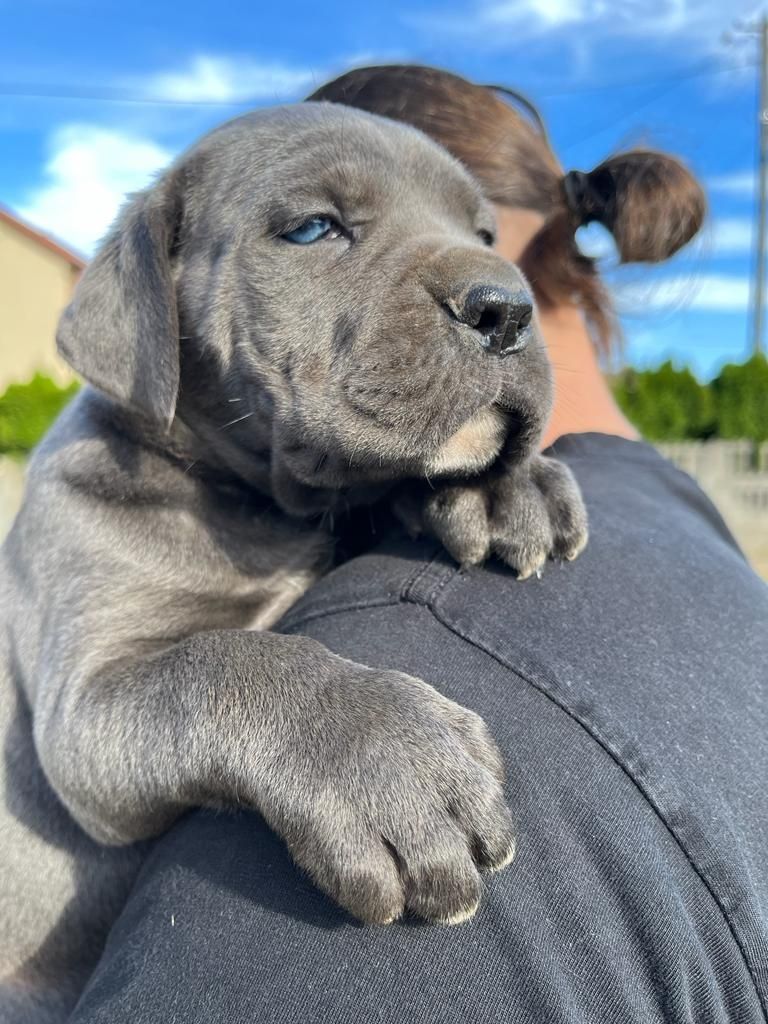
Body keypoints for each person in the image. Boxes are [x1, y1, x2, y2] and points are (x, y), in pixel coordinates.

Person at [67, 67, 767, 1023]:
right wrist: (304, 709)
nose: (486, 285)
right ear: (157, 297)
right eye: (317, 226)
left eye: (477, 237)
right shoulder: (97, 495)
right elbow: (90, 731)